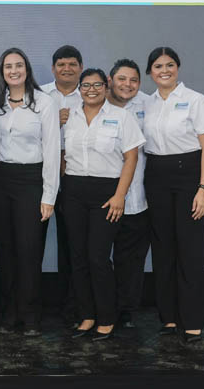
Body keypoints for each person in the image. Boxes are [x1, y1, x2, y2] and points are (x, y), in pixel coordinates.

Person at [61, 68, 144, 341]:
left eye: (97, 85)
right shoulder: (69, 117)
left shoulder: (121, 117)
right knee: (78, 257)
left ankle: (107, 317)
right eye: (86, 85)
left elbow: (131, 158)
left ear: (106, 87)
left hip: (107, 192)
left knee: (98, 257)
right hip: (73, 191)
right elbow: (61, 154)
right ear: (79, 89)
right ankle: (87, 315)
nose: (91, 90)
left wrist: (120, 195)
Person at [142, 47, 204, 343]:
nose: (164, 70)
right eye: (158, 66)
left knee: (190, 248)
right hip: (156, 175)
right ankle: (170, 317)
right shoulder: (146, 103)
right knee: (163, 249)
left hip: (189, 176)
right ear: (150, 71)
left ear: (178, 68)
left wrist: (203, 188)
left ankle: (193, 319)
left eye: (170, 65)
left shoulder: (196, 100)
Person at [0, 48, 60, 336]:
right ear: (2, 72)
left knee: (29, 251)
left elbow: (52, 150)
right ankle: (9, 314)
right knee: (5, 251)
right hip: (0, 180)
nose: (14, 71)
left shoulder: (44, 102)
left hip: (32, 181)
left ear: (27, 69)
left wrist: (49, 196)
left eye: (19, 65)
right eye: (8, 66)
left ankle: (30, 316)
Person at [105, 59, 151, 329]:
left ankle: (125, 311)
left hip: (139, 197)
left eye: (133, 80)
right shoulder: (95, 103)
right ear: (110, 81)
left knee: (131, 259)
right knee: (97, 256)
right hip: (103, 197)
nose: (127, 85)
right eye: (121, 79)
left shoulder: (149, 104)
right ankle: (102, 306)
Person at [40, 45, 84, 325]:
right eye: (61, 64)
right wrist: (51, 122)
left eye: (72, 64)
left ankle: (74, 306)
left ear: (80, 67)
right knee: (33, 240)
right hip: (42, 173)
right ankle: (31, 305)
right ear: (53, 68)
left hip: (76, 175)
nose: (66, 69)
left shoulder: (90, 93)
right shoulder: (41, 95)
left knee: (73, 243)